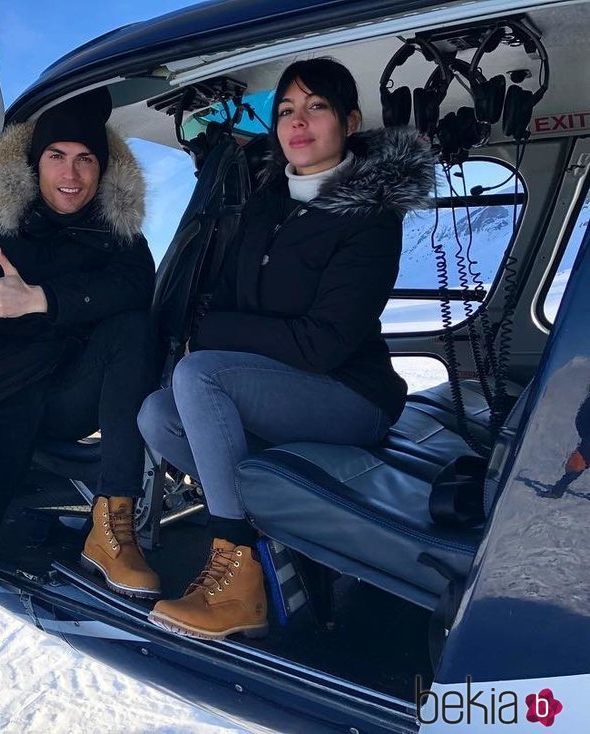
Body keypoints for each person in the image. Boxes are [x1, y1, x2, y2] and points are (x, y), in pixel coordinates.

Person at [138, 58, 435, 640]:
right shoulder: (266, 204)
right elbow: (218, 300)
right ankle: (271, 529)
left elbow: (321, 345)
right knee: (157, 415)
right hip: (275, 386)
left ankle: (237, 566)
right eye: (287, 111)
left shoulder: (371, 218)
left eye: (317, 107)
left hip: (351, 397)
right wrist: (219, 329)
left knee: (201, 376)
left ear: (349, 121)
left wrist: (219, 334)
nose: (299, 123)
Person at [0, 88, 160, 733]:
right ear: (34, 163)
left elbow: (137, 290)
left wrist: (41, 300)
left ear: (103, 171)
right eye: (56, 156)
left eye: (85, 160)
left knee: (132, 329)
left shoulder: (117, 233)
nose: (70, 174)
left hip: (71, 395)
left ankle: (113, 521)